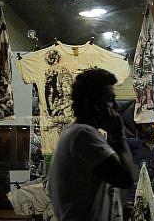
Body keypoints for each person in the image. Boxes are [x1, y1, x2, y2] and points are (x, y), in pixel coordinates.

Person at [49, 68, 134, 221]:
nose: (116, 106)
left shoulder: (75, 133)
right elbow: (126, 178)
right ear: (92, 103)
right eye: (109, 99)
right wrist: (119, 134)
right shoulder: (84, 135)